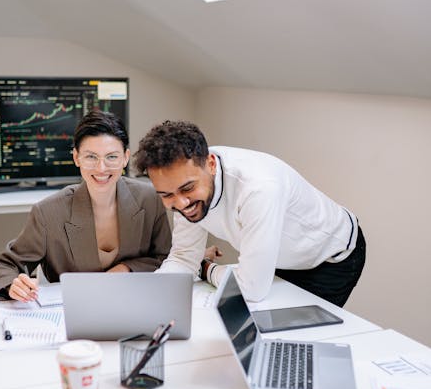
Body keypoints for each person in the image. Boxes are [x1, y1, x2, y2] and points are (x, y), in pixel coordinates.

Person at [135, 120, 365, 307]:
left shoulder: (258, 188)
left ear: (211, 164)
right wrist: (152, 296)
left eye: (188, 189)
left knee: (295, 340)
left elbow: (251, 289)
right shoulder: (184, 185)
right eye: (166, 195)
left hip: (330, 258)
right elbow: (185, 257)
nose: (181, 203)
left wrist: (206, 269)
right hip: (279, 258)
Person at [0, 110, 172, 302]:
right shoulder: (48, 212)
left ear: (125, 157)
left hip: (136, 301)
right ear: (76, 158)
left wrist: (126, 268)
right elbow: (5, 267)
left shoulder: (150, 199)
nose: (101, 168)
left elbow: (167, 258)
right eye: (91, 157)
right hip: (73, 309)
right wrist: (13, 285)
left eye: (112, 157)